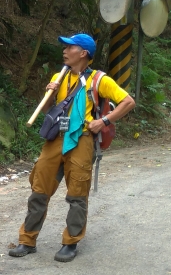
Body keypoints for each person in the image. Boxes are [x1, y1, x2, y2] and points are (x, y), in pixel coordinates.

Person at [8, 34, 135, 262]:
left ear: (83, 53)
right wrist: (50, 92)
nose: (65, 51)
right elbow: (48, 109)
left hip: (82, 138)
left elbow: (128, 101)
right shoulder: (60, 76)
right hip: (55, 137)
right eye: (65, 47)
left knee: (77, 194)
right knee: (39, 189)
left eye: (70, 47)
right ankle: (27, 240)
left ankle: (70, 242)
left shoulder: (99, 80)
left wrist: (103, 121)